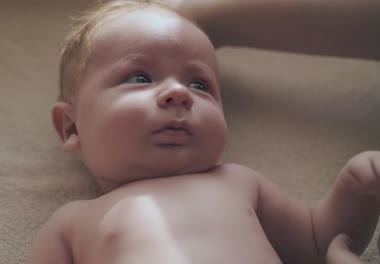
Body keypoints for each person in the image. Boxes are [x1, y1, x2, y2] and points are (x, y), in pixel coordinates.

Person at [26, 0, 380, 263]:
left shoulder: (238, 182)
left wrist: (355, 188)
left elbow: (317, 243)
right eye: (139, 78)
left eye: (199, 84)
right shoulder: (73, 221)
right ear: (72, 127)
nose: (179, 92)